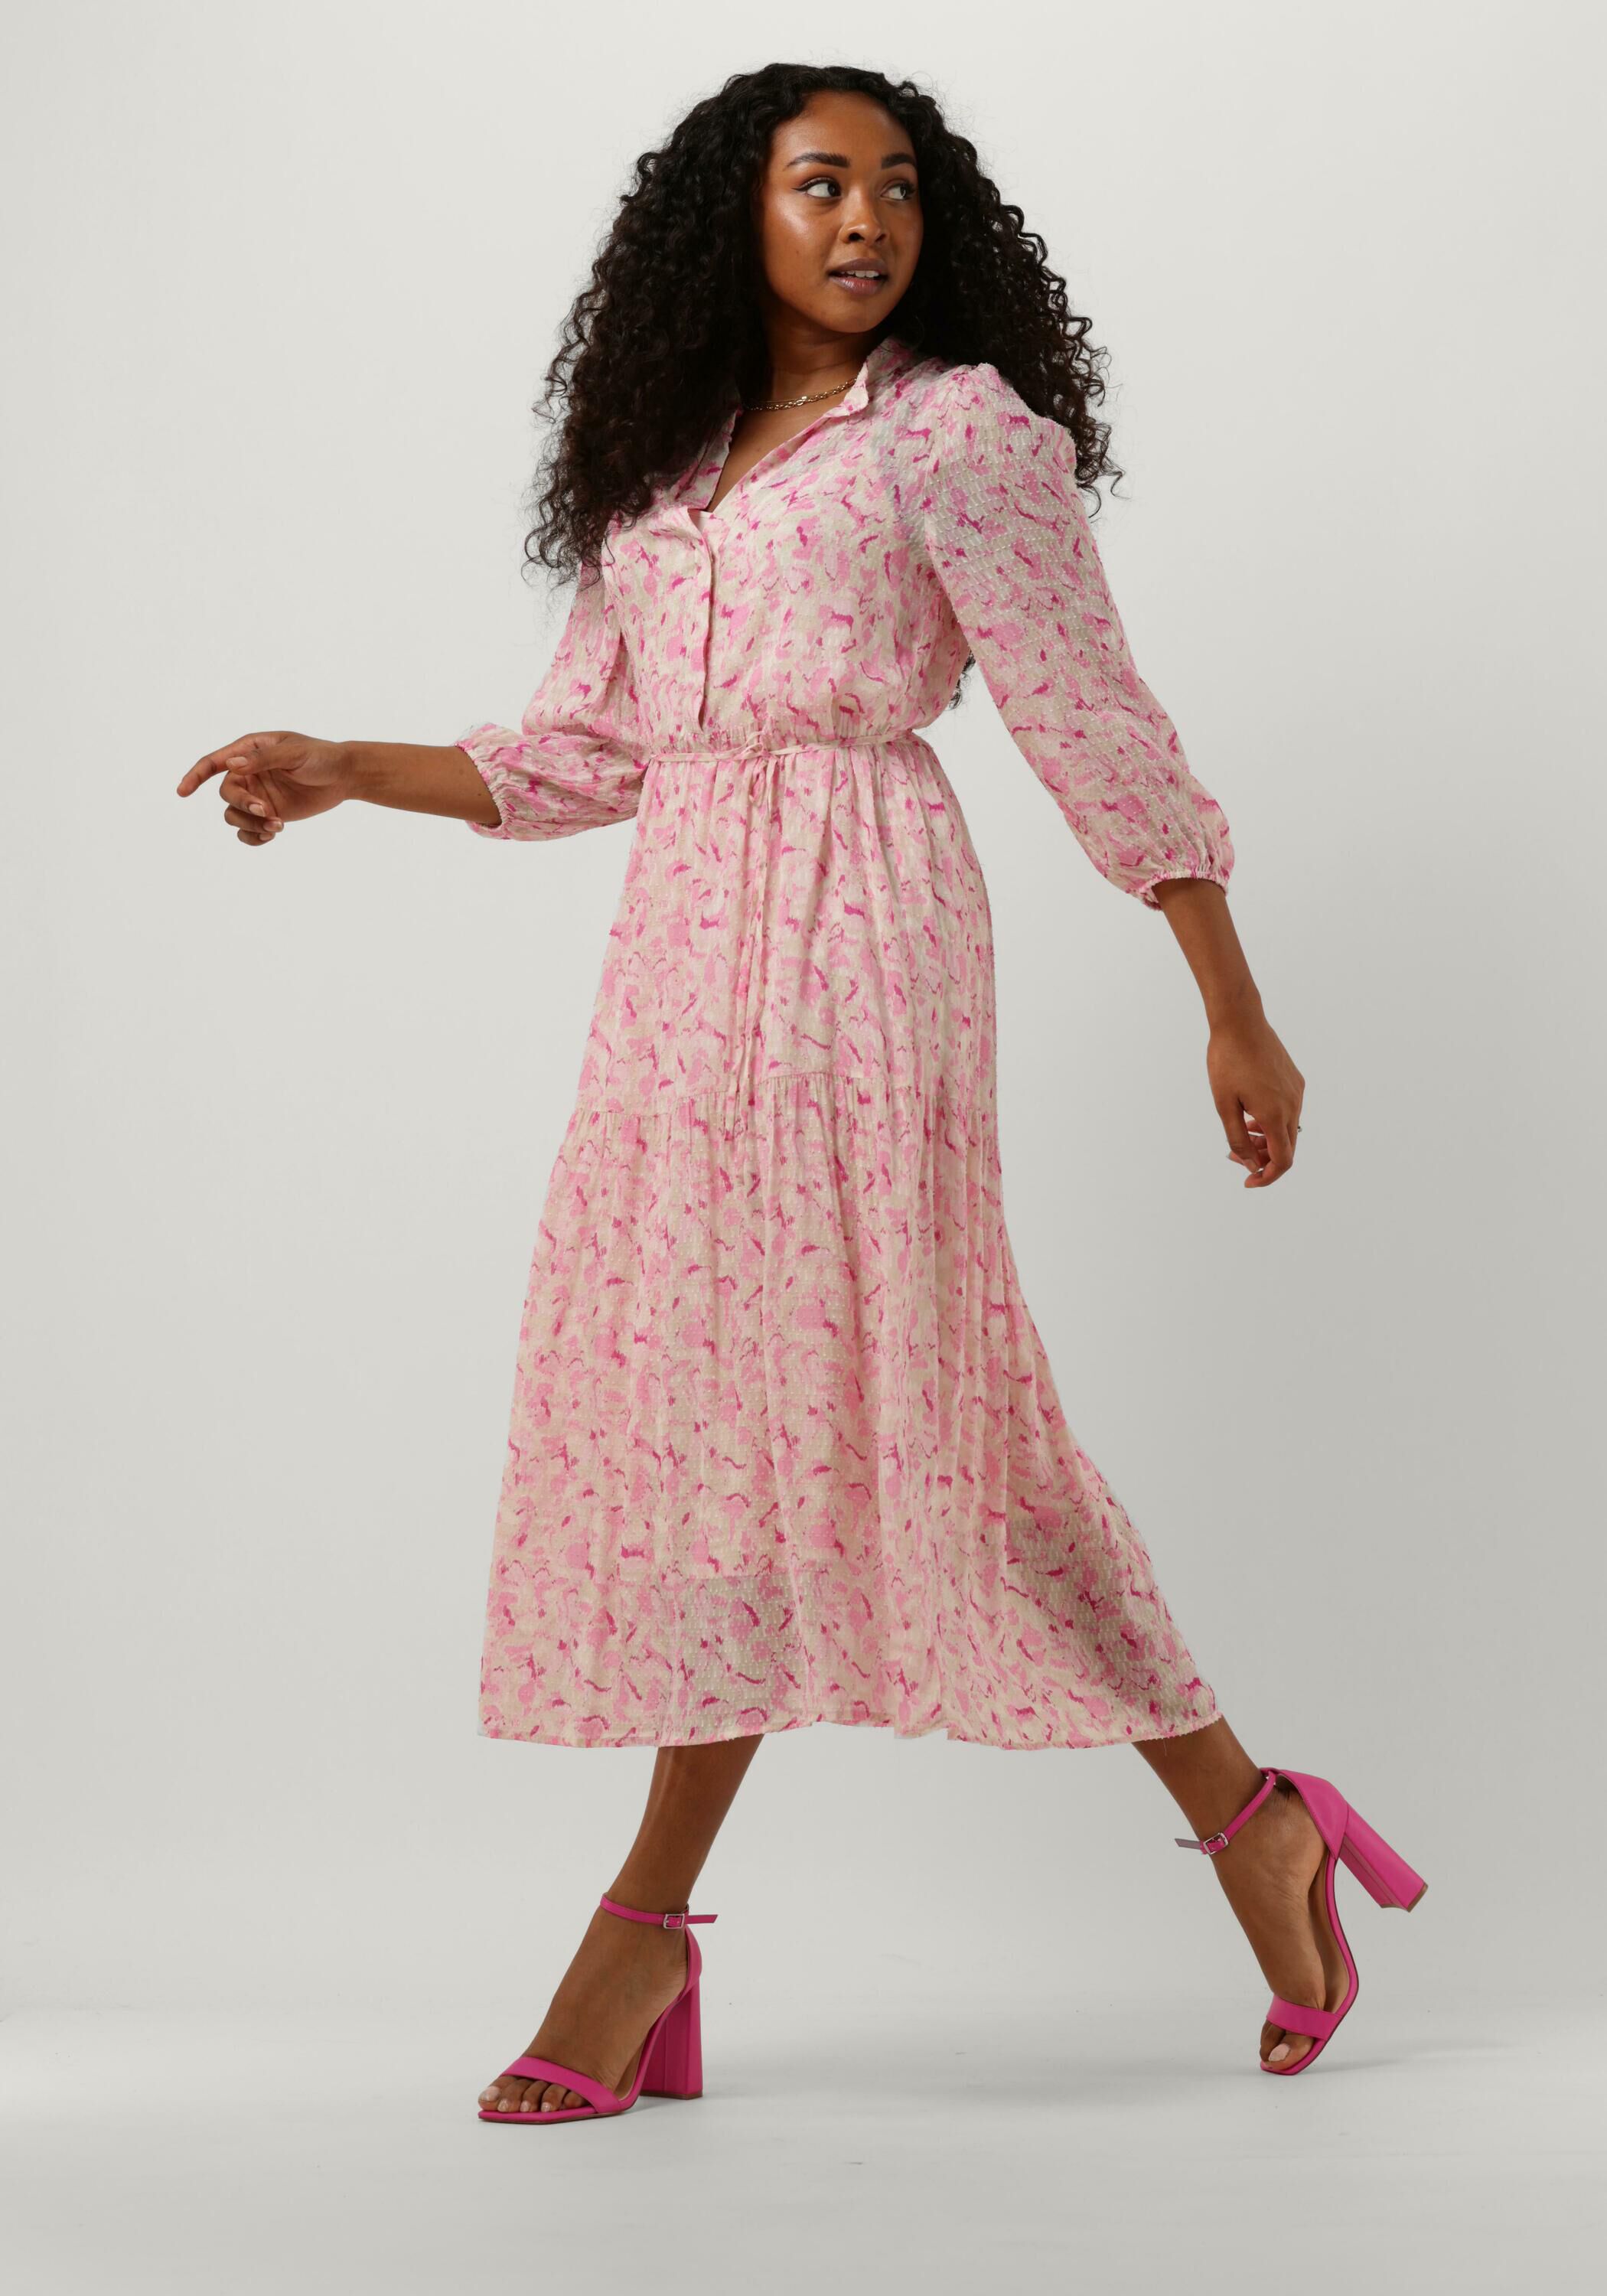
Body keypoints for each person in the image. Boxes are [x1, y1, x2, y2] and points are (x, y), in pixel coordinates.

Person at [178, 64, 1426, 2119]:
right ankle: (1249, 1823)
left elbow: (1091, 716)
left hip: (867, 929)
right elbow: (584, 754)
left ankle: (641, 1934)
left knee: (908, 1403)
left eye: (897, 188)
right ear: (730, 219)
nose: (866, 221)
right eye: (820, 184)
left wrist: (1232, 1003)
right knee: (709, 1415)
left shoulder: (957, 437)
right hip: (679, 965)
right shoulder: (660, 470)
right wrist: (345, 769)